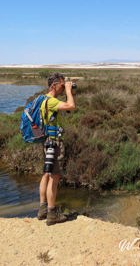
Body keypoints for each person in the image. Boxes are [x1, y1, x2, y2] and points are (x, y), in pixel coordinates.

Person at [37, 72, 76, 225]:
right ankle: (52, 213)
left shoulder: (43, 100)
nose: (63, 86)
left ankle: (43, 209)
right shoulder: (51, 101)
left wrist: (70, 92)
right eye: (62, 84)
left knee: (46, 173)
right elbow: (71, 106)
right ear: (54, 85)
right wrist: (68, 91)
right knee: (55, 176)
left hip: (47, 141)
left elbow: (66, 109)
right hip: (55, 142)